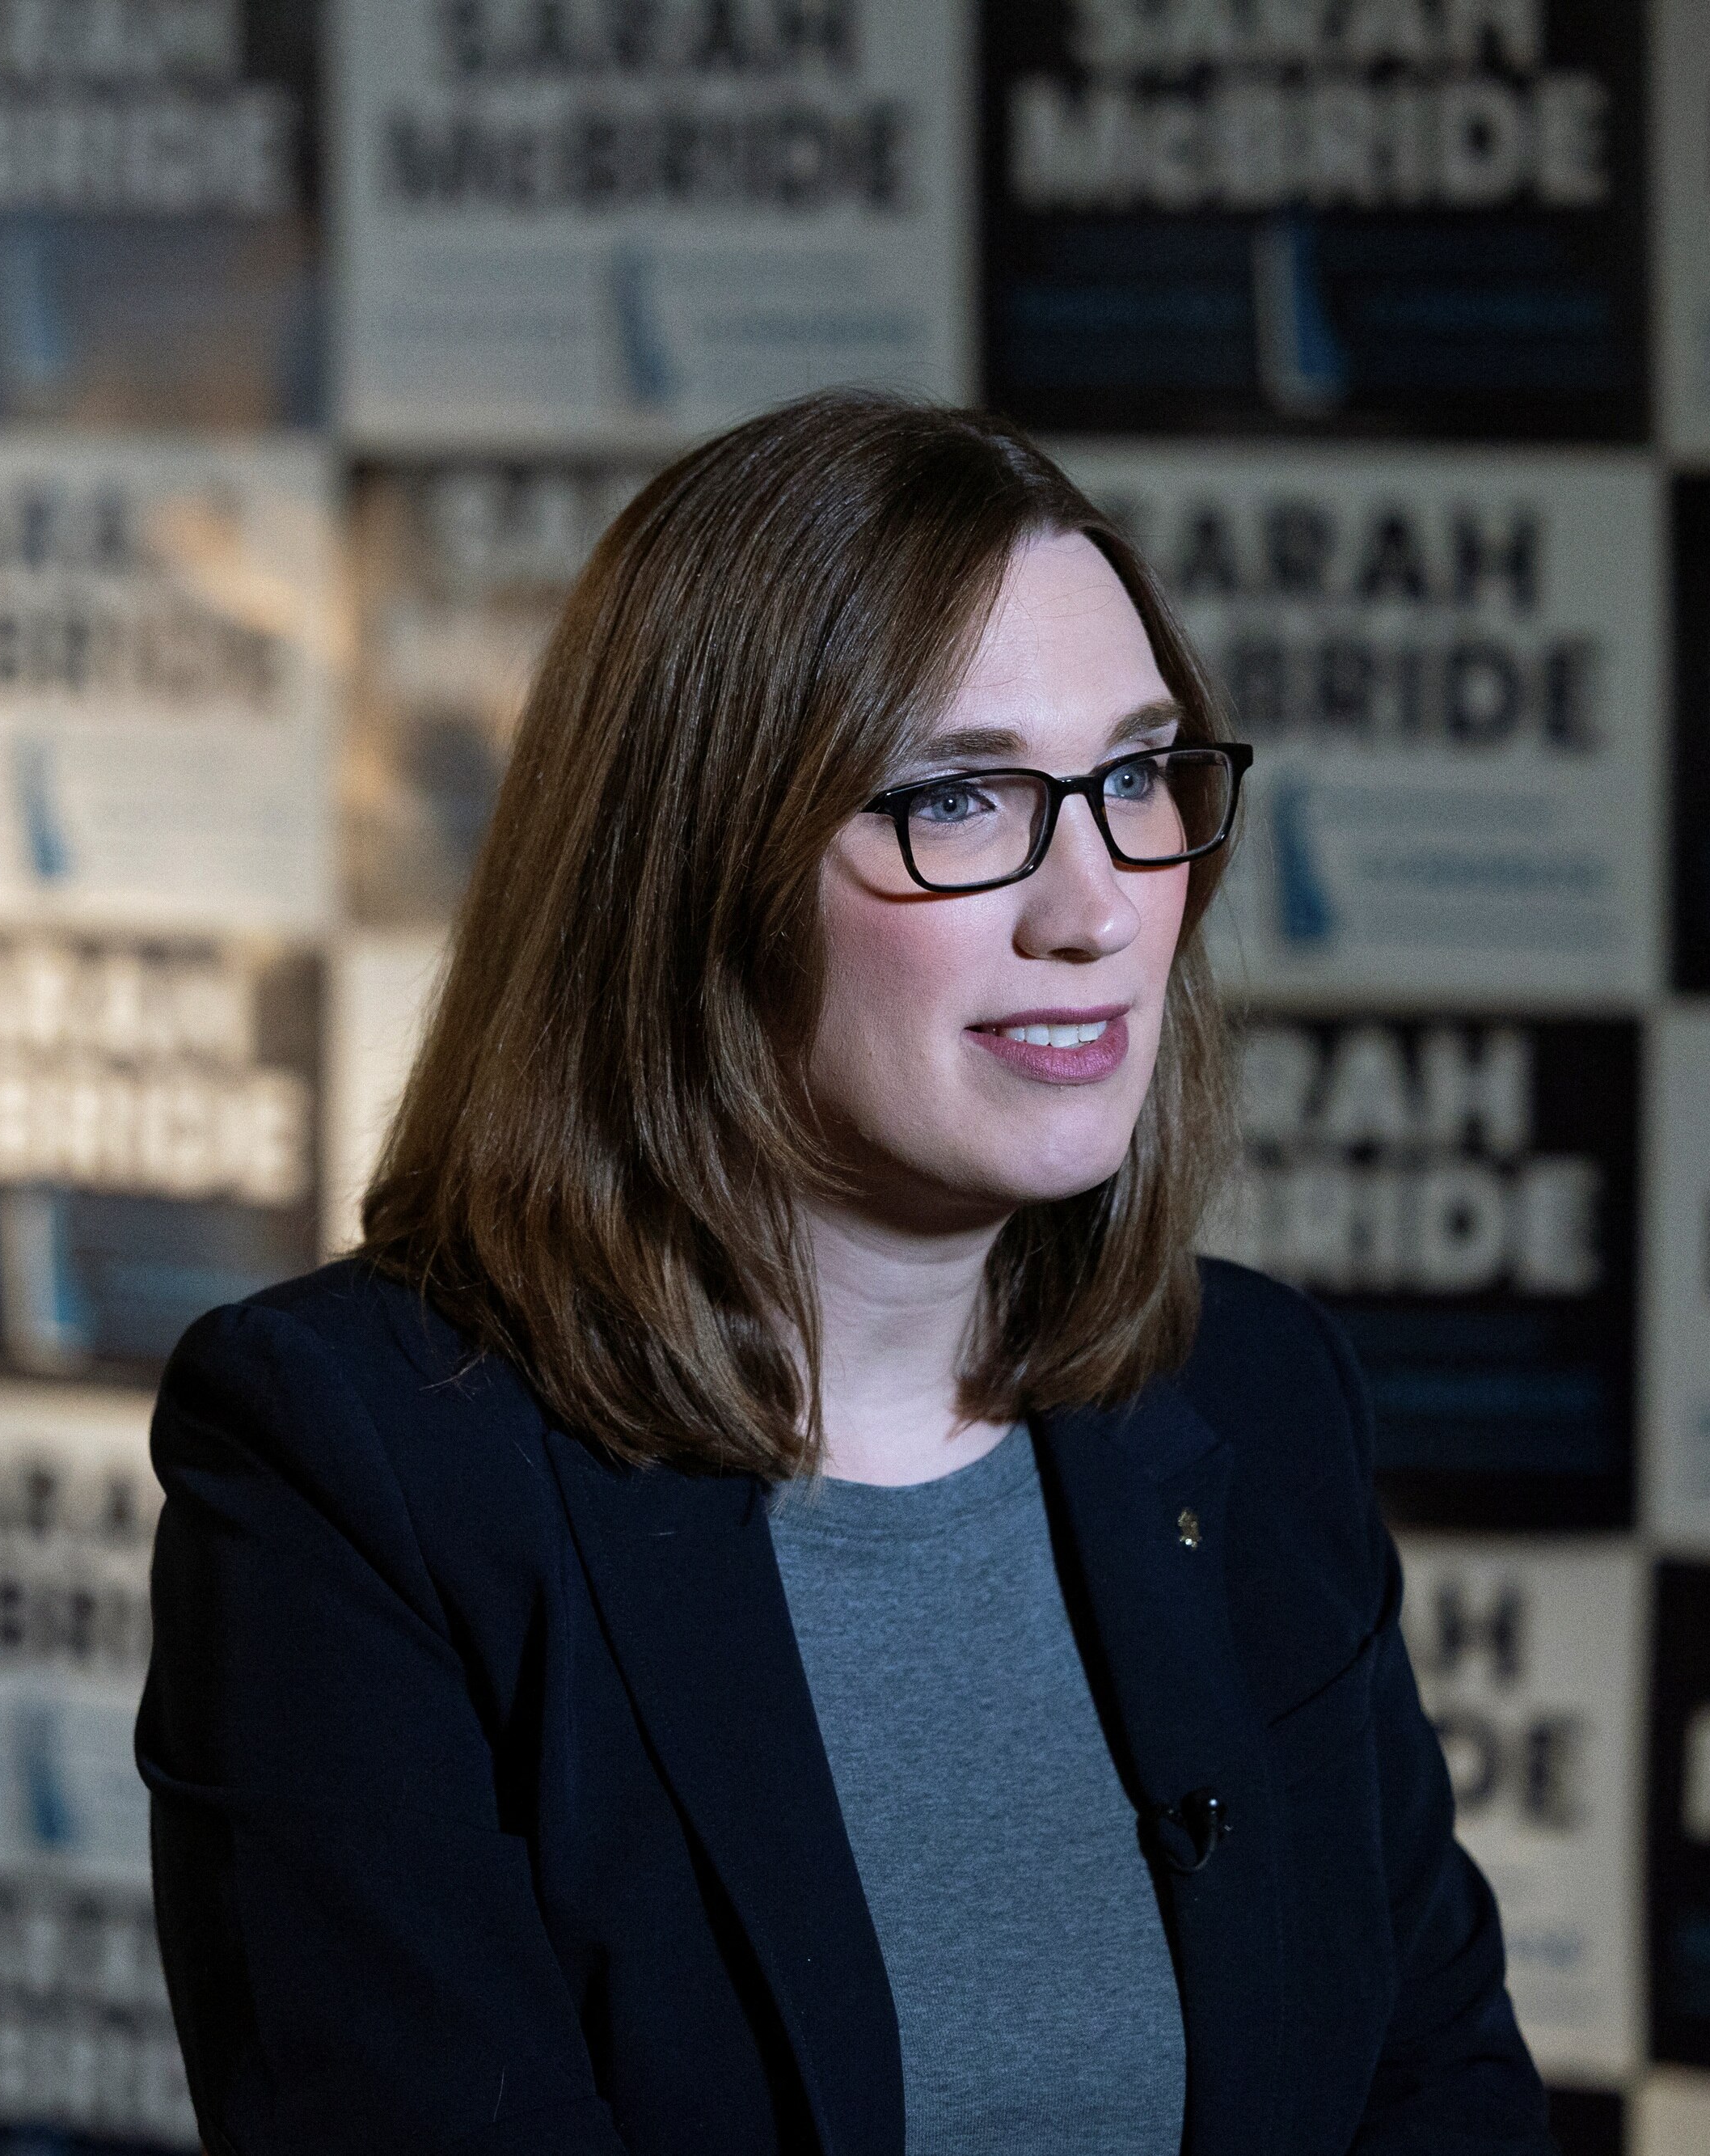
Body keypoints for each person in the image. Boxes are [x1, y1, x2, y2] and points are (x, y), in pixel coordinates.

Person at [133, 392, 1552, 2156]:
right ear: (691, 870)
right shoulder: (355, 1465)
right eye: (958, 798)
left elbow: (1437, 2088)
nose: (1096, 907)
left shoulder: (1254, 1389)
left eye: (1133, 777)